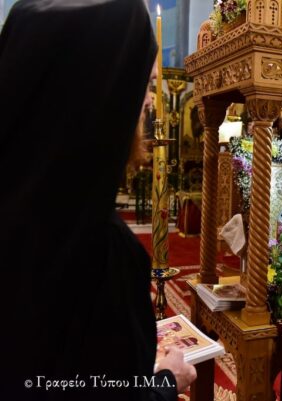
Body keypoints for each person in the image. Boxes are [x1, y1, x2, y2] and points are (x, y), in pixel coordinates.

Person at [0, 1, 195, 399]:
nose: (148, 102)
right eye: (145, 83)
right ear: (106, 89)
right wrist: (166, 381)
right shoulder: (101, 253)